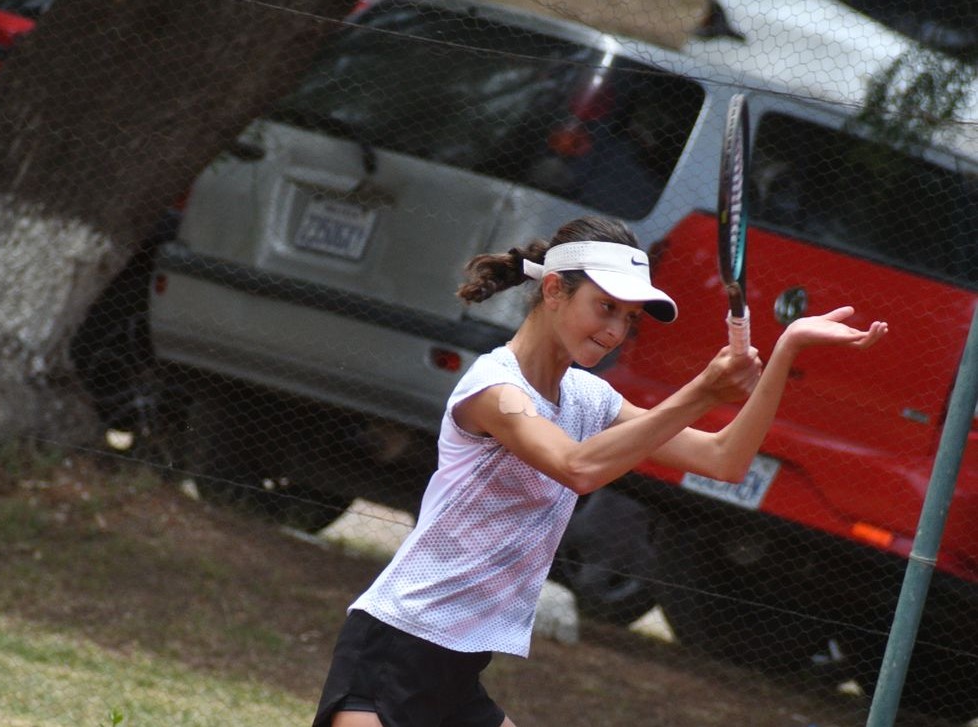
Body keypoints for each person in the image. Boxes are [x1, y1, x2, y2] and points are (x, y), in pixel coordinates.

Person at [312, 216, 888, 727]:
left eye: (629, 318)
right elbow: (577, 467)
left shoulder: (588, 398)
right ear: (554, 290)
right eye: (605, 307)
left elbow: (723, 459)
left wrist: (786, 352)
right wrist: (702, 392)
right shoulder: (496, 390)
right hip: (393, 649)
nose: (615, 331)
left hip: (456, 669)